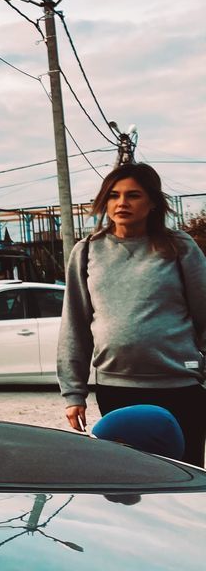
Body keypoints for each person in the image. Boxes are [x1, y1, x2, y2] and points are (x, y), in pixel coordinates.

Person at [58, 163, 206, 467]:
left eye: (133, 195)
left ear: (152, 202)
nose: (122, 203)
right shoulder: (87, 251)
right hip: (116, 391)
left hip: (180, 389)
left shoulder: (178, 247)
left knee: (184, 480)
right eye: (114, 195)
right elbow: (75, 326)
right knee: (129, 481)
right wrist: (74, 394)